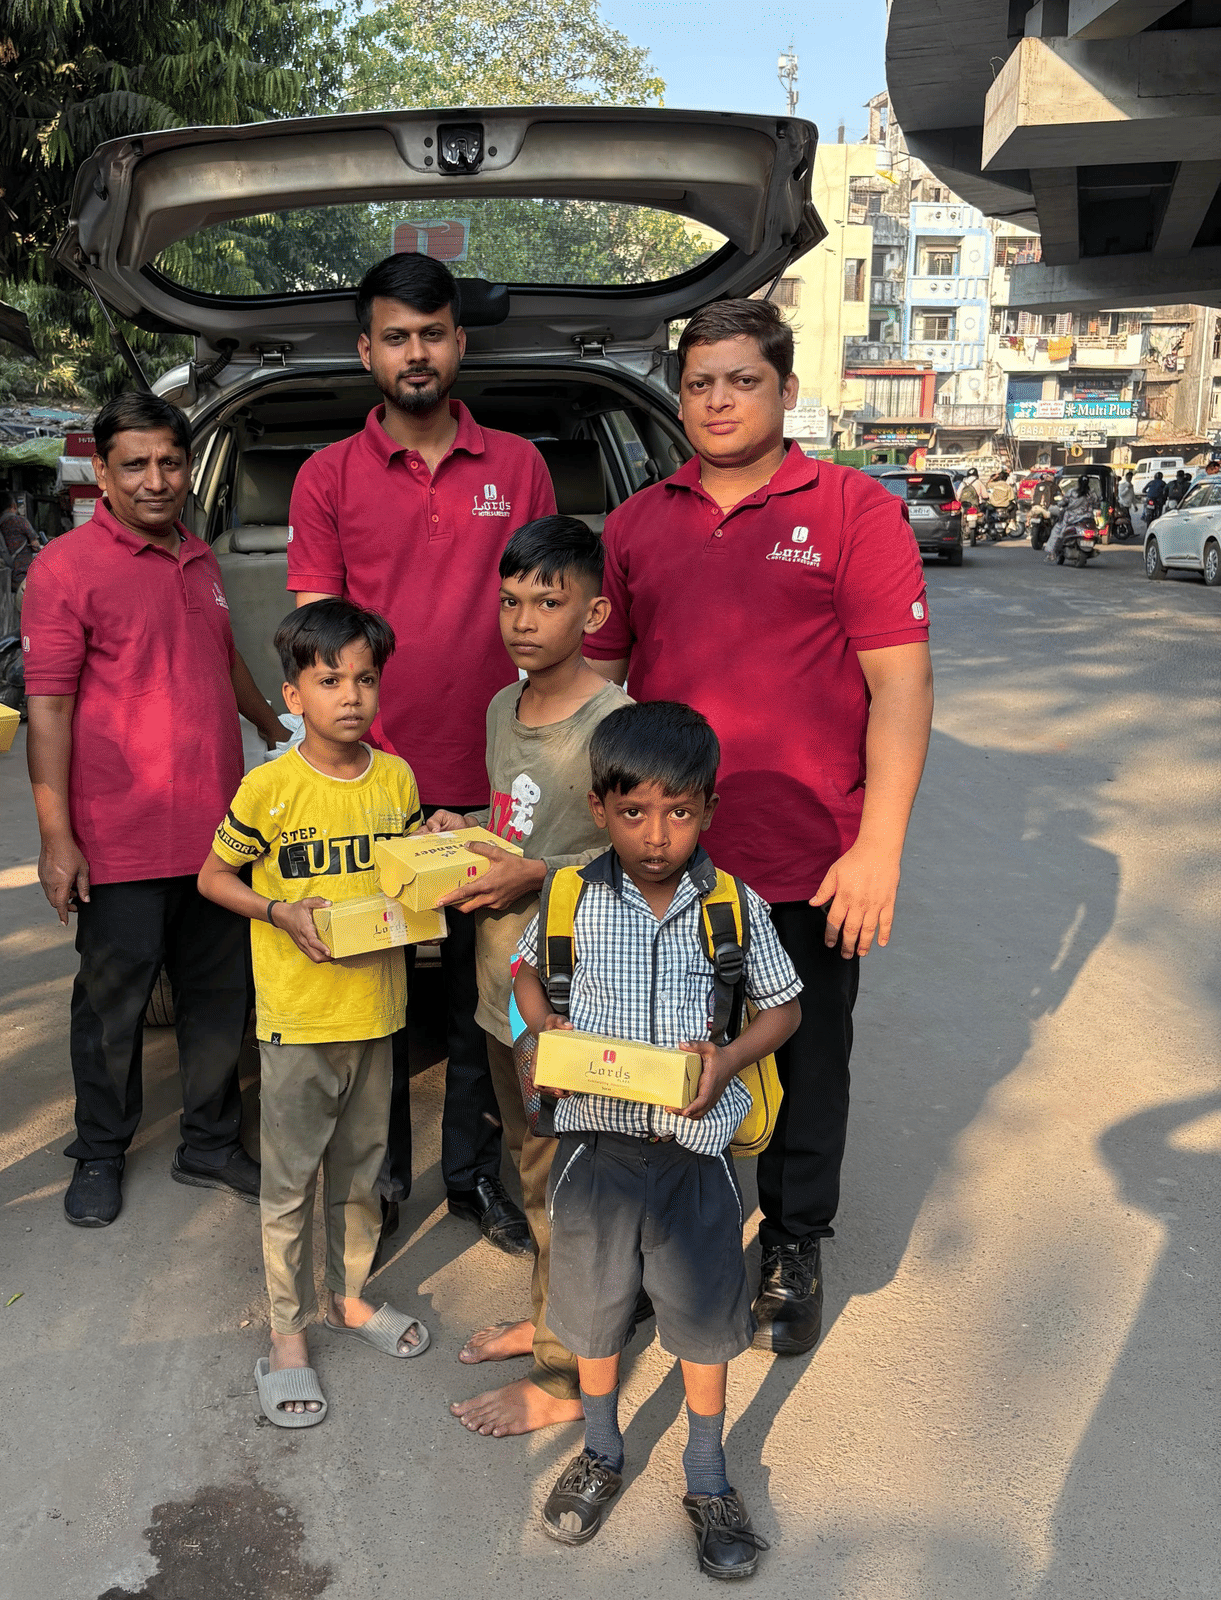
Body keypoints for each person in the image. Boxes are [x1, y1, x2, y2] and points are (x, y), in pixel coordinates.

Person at [585, 298, 933, 1357]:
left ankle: (791, 1240)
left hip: (806, 858)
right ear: (678, 396)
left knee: (808, 1056)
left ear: (785, 390)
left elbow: (901, 687)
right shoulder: (639, 523)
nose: (719, 399)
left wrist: (878, 847)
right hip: (664, 862)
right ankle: (663, 1241)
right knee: (659, 1048)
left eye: (742, 379)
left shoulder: (849, 509)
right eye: (700, 383)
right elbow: (597, 690)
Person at [288, 253, 558, 1254]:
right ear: (367, 350)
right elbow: (319, 640)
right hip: (376, 784)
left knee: (485, 1001)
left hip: (498, 784)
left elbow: (548, 621)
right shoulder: (328, 476)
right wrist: (368, 760)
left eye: (432, 332)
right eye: (395, 335)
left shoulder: (519, 466)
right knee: (379, 999)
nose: (415, 352)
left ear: (458, 343)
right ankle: (382, 1174)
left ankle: (473, 1178)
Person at [512, 702, 802, 1571]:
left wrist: (729, 1056)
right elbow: (530, 975)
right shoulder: (569, 896)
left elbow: (785, 1007)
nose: (657, 835)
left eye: (679, 812)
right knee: (595, 1321)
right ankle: (601, 1453)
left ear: (708, 811)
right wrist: (538, 1040)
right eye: (634, 812)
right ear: (599, 809)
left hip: (696, 1162)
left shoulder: (734, 908)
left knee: (706, 1323)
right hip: (594, 1158)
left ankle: (707, 1472)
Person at [20, 391, 290, 1227]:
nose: (155, 479)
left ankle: (209, 1142)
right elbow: (51, 709)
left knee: (219, 1002)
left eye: (170, 462)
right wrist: (56, 837)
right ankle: (99, 1149)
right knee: (113, 1008)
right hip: (120, 838)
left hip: (217, 840)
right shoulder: (64, 569)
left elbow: (222, 660)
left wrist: (274, 725)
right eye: (134, 464)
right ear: (101, 471)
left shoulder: (200, 559)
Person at [419, 516, 630, 1439]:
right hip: (501, 991)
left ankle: (565, 1375)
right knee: (535, 1172)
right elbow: (523, 823)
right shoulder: (505, 710)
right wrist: (461, 828)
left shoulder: (615, 722)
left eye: (549, 601)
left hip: (571, 1001)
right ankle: (552, 1323)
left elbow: (642, 858)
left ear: (595, 609)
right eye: (510, 600)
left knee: (572, 1186)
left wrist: (534, 874)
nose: (524, 619)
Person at [199, 600, 431, 1425]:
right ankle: (288, 1333)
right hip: (298, 1019)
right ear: (292, 696)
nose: (351, 697)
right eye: (329, 680)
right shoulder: (270, 788)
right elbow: (214, 879)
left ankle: (350, 1298)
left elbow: (410, 874)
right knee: (291, 1183)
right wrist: (278, 912)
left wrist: (440, 850)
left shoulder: (397, 779)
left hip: (379, 1010)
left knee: (362, 1177)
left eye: (366, 679)